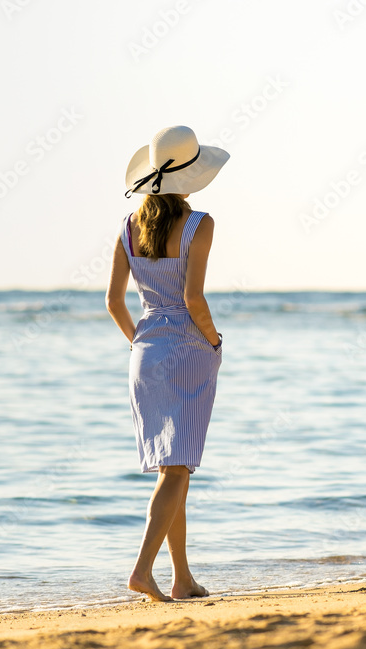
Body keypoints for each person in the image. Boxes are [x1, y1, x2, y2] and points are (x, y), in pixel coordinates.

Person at [105, 126, 230, 602]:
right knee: (177, 469)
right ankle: (141, 571)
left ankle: (182, 578)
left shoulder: (126, 227)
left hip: (144, 352)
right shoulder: (201, 224)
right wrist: (214, 341)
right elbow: (193, 298)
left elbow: (115, 303)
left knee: (171, 469)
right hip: (188, 350)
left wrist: (141, 344)